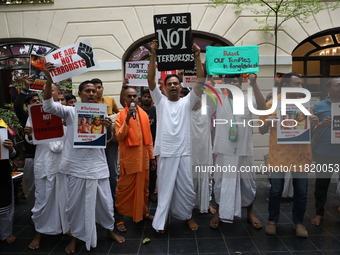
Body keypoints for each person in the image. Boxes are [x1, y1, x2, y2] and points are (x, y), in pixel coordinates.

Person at [43, 63, 124, 253]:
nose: (91, 93)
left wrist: (109, 127)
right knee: (75, 206)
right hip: (76, 167)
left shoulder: (103, 113)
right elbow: (47, 104)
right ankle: (76, 237)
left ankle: (109, 230)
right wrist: (49, 78)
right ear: (79, 94)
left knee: (105, 204)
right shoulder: (70, 112)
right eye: (87, 91)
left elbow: (110, 140)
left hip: (97, 166)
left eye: (94, 91)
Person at [148, 40, 205, 232]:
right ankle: (163, 219)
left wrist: (197, 56)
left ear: (181, 87)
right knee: (164, 189)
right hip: (166, 152)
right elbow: (150, 82)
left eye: (175, 84)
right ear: (164, 88)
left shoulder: (187, 102)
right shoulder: (160, 102)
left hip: (184, 152)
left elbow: (201, 81)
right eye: (169, 84)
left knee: (187, 189)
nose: (172, 86)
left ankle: (187, 217)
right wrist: (153, 55)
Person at [259, 72, 318, 237]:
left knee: (301, 191)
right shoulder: (272, 104)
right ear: (285, 86)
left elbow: (309, 132)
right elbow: (261, 130)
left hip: (300, 155)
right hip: (279, 155)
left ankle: (298, 223)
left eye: (301, 84)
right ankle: (272, 221)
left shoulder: (305, 105)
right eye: (297, 84)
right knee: (275, 191)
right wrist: (268, 122)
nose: (301, 87)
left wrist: (313, 123)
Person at [209, 74, 266, 229]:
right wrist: (209, 73)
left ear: (241, 84)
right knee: (220, 183)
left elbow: (263, 108)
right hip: (224, 149)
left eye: (236, 81)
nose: (233, 83)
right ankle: (219, 212)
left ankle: (250, 212)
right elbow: (207, 88)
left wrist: (254, 85)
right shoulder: (219, 98)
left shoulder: (249, 98)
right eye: (229, 81)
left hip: (243, 149)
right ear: (225, 84)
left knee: (247, 183)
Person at [25, 82, 68, 250]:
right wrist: (28, 133)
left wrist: (67, 126)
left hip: (62, 162)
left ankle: (66, 228)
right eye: (44, 91)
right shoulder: (35, 112)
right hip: (43, 162)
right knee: (42, 199)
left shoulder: (66, 111)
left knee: (64, 198)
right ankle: (39, 232)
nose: (46, 93)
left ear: (57, 94)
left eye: (50, 90)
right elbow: (30, 139)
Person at [115, 87, 156, 231]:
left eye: (134, 96)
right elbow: (119, 136)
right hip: (129, 160)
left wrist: (151, 157)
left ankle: (142, 212)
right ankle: (119, 217)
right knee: (124, 190)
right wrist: (126, 120)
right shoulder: (120, 115)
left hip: (143, 159)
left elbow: (149, 139)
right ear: (125, 99)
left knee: (143, 188)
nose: (132, 98)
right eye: (129, 96)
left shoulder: (144, 114)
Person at [311, 77, 340, 226]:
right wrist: (322, 124)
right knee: (322, 184)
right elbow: (312, 128)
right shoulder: (318, 107)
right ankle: (319, 213)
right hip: (325, 152)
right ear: (328, 89)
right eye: (337, 85)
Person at [91, 78, 120, 203]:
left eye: (99, 87)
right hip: (96, 145)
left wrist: (111, 123)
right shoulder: (88, 104)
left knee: (113, 173)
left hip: (111, 143)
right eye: (94, 88)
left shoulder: (110, 100)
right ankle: (101, 200)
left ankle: (114, 201)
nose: (97, 90)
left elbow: (119, 116)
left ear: (102, 88)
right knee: (98, 172)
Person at [13, 77, 40, 211]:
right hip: (32, 158)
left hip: (47, 158)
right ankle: (33, 214)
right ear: (28, 105)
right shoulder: (26, 118)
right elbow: (17, 106)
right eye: (33, 101)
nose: (37, 102)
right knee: (30, 188)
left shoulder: (48, 115)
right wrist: (24, 89)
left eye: (38, 100)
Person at [0, 125, 17, 244]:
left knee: (4, 204)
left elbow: (14, 154)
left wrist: (11, 149)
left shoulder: (3, 131)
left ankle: (5, 233)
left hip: (2, 174)